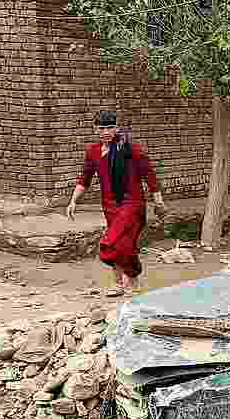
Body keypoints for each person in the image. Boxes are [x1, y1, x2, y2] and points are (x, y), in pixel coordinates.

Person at [67, 111, 165, 294]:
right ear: (95, 129)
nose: (106, 132)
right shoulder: (93, 151)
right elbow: (85, 179)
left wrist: (158, 202)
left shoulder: (130, 149)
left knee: (113, 243)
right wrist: (73, 201)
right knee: (123, 245)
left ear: (117, 128)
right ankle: (119, 283)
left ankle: (132, 281)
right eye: (102, 128)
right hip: (110, 206)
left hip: (132, 204)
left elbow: (149, 175)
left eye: (110, 127)